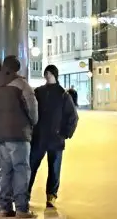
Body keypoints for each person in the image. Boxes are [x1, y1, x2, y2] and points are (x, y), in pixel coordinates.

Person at [0, 55, 39, 219]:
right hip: (20, 134)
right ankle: (22, 209)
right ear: (16, 68)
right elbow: (32, 109)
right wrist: (32, 123)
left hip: (1, 135)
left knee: (5, 171)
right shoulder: (22, 85)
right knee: (21, 170)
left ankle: (4, 208)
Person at [28, 65, 78, 209]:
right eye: (46, 73)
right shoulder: (38, 92)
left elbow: (73, 116)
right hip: (39, 137)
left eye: (49, 73)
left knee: (54, 169)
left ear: (54, 75)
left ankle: (51, 196)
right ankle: (25, 193)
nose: (47, 75)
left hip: (56, 139)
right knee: (31, 166)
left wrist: (66, 133)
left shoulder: (63, 94)